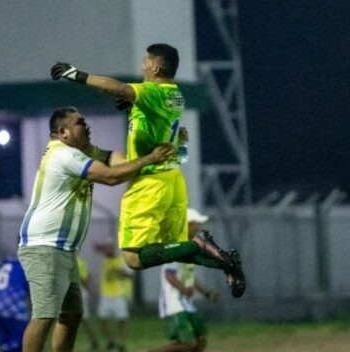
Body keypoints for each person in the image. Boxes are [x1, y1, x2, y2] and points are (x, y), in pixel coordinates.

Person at [6, 107, 174, 352]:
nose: (87, 125)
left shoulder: (81, 151)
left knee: (72, 315)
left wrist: (145, 156)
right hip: (43, 246)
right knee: (44, 314)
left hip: (63, 249)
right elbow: (110, 177)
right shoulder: (63, 154)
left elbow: (114, 159)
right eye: (79, 122)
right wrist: (150, 159)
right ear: (62, 132)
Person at [51, 44, 246, 298]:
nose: (142, 65)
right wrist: (134, 106)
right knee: (173, 249)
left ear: (155, 67)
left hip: (149, 183)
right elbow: (162, 126)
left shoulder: (152, 93)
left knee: (133, 258)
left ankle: (200, 244)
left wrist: (77, 75)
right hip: (171, 179)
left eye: (145, 61)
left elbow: (120, 88)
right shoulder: (175, 94)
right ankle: (226, 263)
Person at [142, 208, 220, 352]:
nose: (199, 227)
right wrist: (183, 289)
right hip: (173, 302)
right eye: (196, 224)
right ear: (186, 225)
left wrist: (206, 293)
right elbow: (169, 275)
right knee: (188, 343)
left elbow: (189, 276)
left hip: (185, 302)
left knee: (201, 340)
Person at [94, 240, 134, 352]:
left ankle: (121, 343)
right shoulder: (106, 260)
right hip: (105, 294)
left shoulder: (121, 260)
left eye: (110, 247)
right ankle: (110, 341)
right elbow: (96, 247)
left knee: (122, 319)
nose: (107, 249)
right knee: (103, 319)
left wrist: (120, 273)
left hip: (118, 294)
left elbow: (130, 276)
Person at [76, 255, 100, 352]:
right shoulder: (78, 261)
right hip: (70, 293)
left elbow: (85, 279)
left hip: (78, 293)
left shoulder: (78, 262)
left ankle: (94, 341)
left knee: (84, 319)